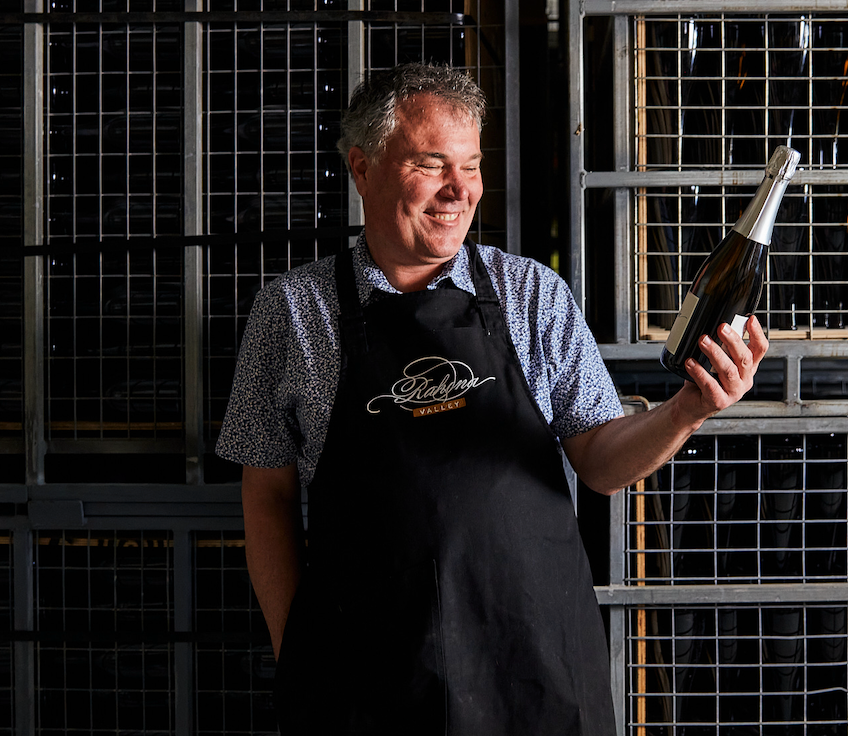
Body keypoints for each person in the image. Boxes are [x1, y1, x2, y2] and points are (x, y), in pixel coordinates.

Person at [215, 62, 767, 735]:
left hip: (532, 671)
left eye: (471, 166)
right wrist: (295, 649)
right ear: (362, 168)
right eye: (432, 162)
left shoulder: (532, 294)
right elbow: (263, 491)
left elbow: (599, 460)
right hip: (363, 681)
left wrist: (687, 411)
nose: (459, 189)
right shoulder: (292, 313)